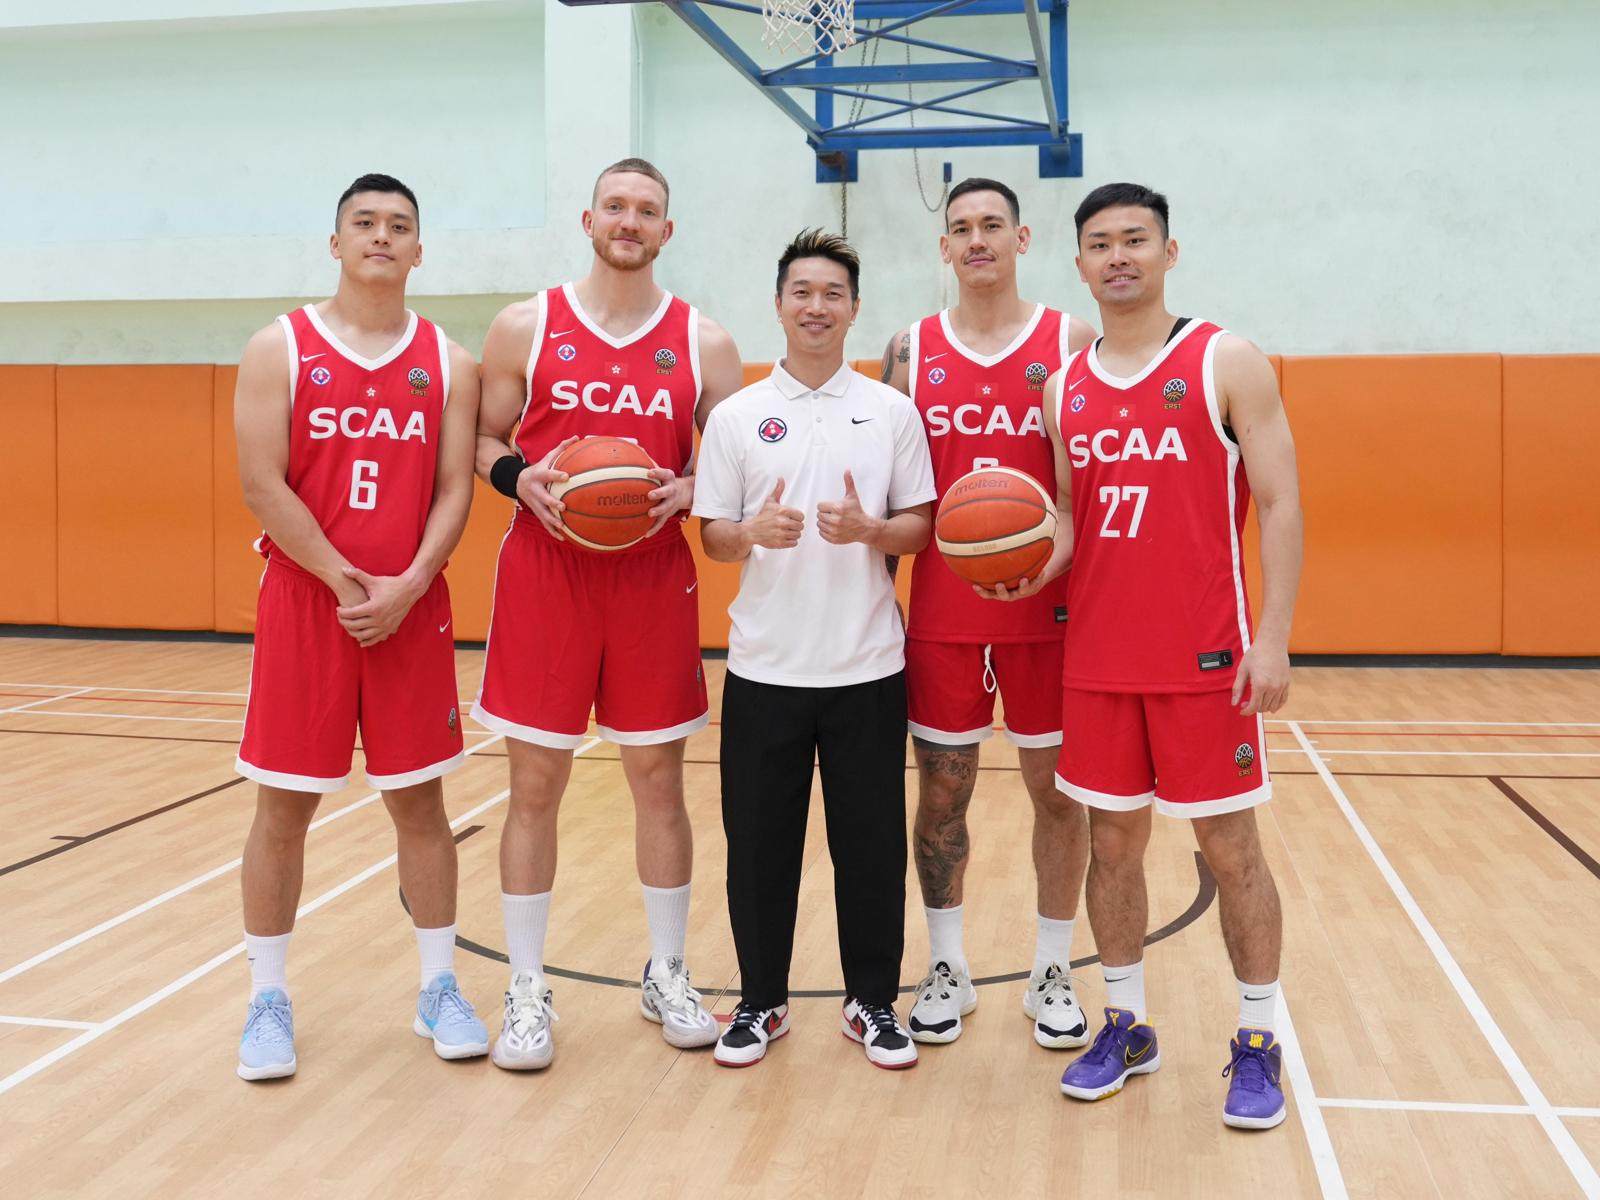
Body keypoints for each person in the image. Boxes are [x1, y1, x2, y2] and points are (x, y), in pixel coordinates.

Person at [1026, 182, 1302, 1128]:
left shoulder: (1224, 358)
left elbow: (1281, 505)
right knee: (1112, 847)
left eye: (1135, 240)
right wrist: (1024, 566)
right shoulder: (1064, 387)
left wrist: (1272, 637)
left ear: (1169, 251)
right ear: (1079, 265)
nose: (1118, 257)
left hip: (1205, 660)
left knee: (1231, 851)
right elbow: (1071, 520)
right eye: (1099, 244)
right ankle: (1128, 1023)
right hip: (1100, 661)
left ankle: (1258, 1038)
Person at [471, 158, 744, 1070]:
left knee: (658, 782)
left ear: (669, 230)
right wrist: (521, 478)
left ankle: (667, 969)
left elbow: (741, 456)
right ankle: (524, 987)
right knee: (535, 787)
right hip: (547, 576)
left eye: (649, 211)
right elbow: (482, 438)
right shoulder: (525, 325)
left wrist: (696, 484)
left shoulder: (702, 340)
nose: (631, 222)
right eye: (617, 207)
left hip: (651, 581)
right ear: (589, 220)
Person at [233, 173, 486, 1079]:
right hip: (310, 605)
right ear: (335, 243)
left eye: (400, 226)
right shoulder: (278, 346)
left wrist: (411, 583)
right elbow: (263, 481)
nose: (382, 236)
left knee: (421, 804)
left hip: (411, 611)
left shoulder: (450, 363)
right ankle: (266, 999)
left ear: (420, 251)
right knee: (282, 808)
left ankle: (437, 986)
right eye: (365, 223)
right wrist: (349, 583)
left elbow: (456, 487)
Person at [693, 229, 937, 1070]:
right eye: (802, 291)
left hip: (868, 668)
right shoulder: (734, 418)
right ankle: (761, 1001)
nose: (817, 307)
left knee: (870, 847)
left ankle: (872, 1001)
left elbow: (922, 524)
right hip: (764, 670)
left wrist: (873, 529)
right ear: (778, 304)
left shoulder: (890, 411)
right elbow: (714, 537)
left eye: (833, 293)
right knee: (759, 848)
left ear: (855, 309)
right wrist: (751, 531)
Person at [881, 177, 1098, 1048]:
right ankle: (949, 965)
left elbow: (1083, 492)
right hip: (940, 610)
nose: (977, 240)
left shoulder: (1069, 341)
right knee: (942, 795)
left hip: (1047, 612)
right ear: (945, 247)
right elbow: (889, 483)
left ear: (1022, 238)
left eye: (992, 226)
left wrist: (1052, 558)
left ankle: (1052, 966)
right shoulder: (908, 349)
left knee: (1058, 795)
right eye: (961, 228)